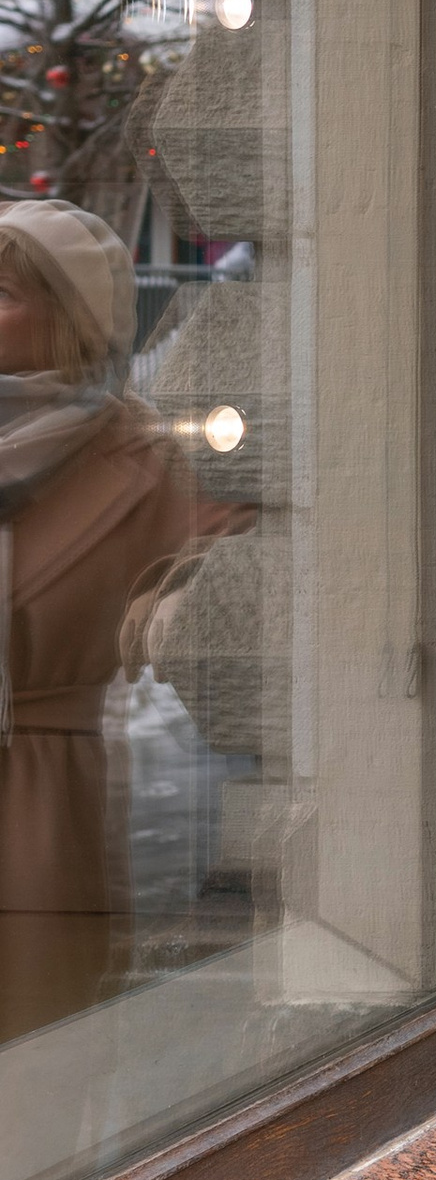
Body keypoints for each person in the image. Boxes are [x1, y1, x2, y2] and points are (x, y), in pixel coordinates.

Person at [0, 201, 242, 1044]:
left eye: (2, 292)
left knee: (34, 1081)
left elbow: (230, 580)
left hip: (40, 808)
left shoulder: (139, 463)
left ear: (71, 320)